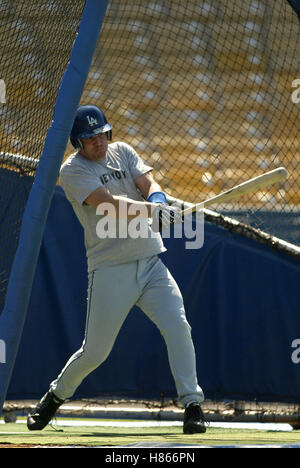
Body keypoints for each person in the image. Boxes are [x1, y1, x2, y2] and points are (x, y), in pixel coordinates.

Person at [27, 105, 206, 434]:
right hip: (110, 268)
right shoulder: (73, 171)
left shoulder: (122, 151)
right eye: (90, 138)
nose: (99, 142)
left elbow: (145, 180)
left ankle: (192, 404)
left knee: (178, 326)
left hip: (150, 261)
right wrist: (152, 213)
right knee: (95, 352)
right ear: (78, 143)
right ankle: (54, 397)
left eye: (102, 135)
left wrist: (159, 197)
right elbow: (108, 206)